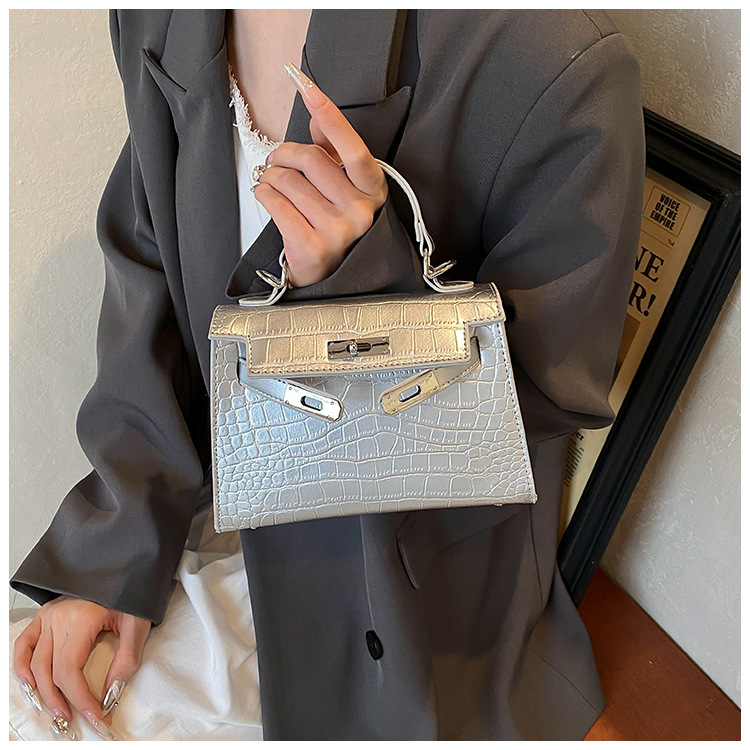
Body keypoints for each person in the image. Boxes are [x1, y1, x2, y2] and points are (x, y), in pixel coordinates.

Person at [11, 9, 646, 741]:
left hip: (404, 590)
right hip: (203, 506)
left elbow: (545, 396)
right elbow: (147, 271)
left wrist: (361, 286)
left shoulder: (549, 58)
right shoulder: (159, 18)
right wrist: (116, 549)